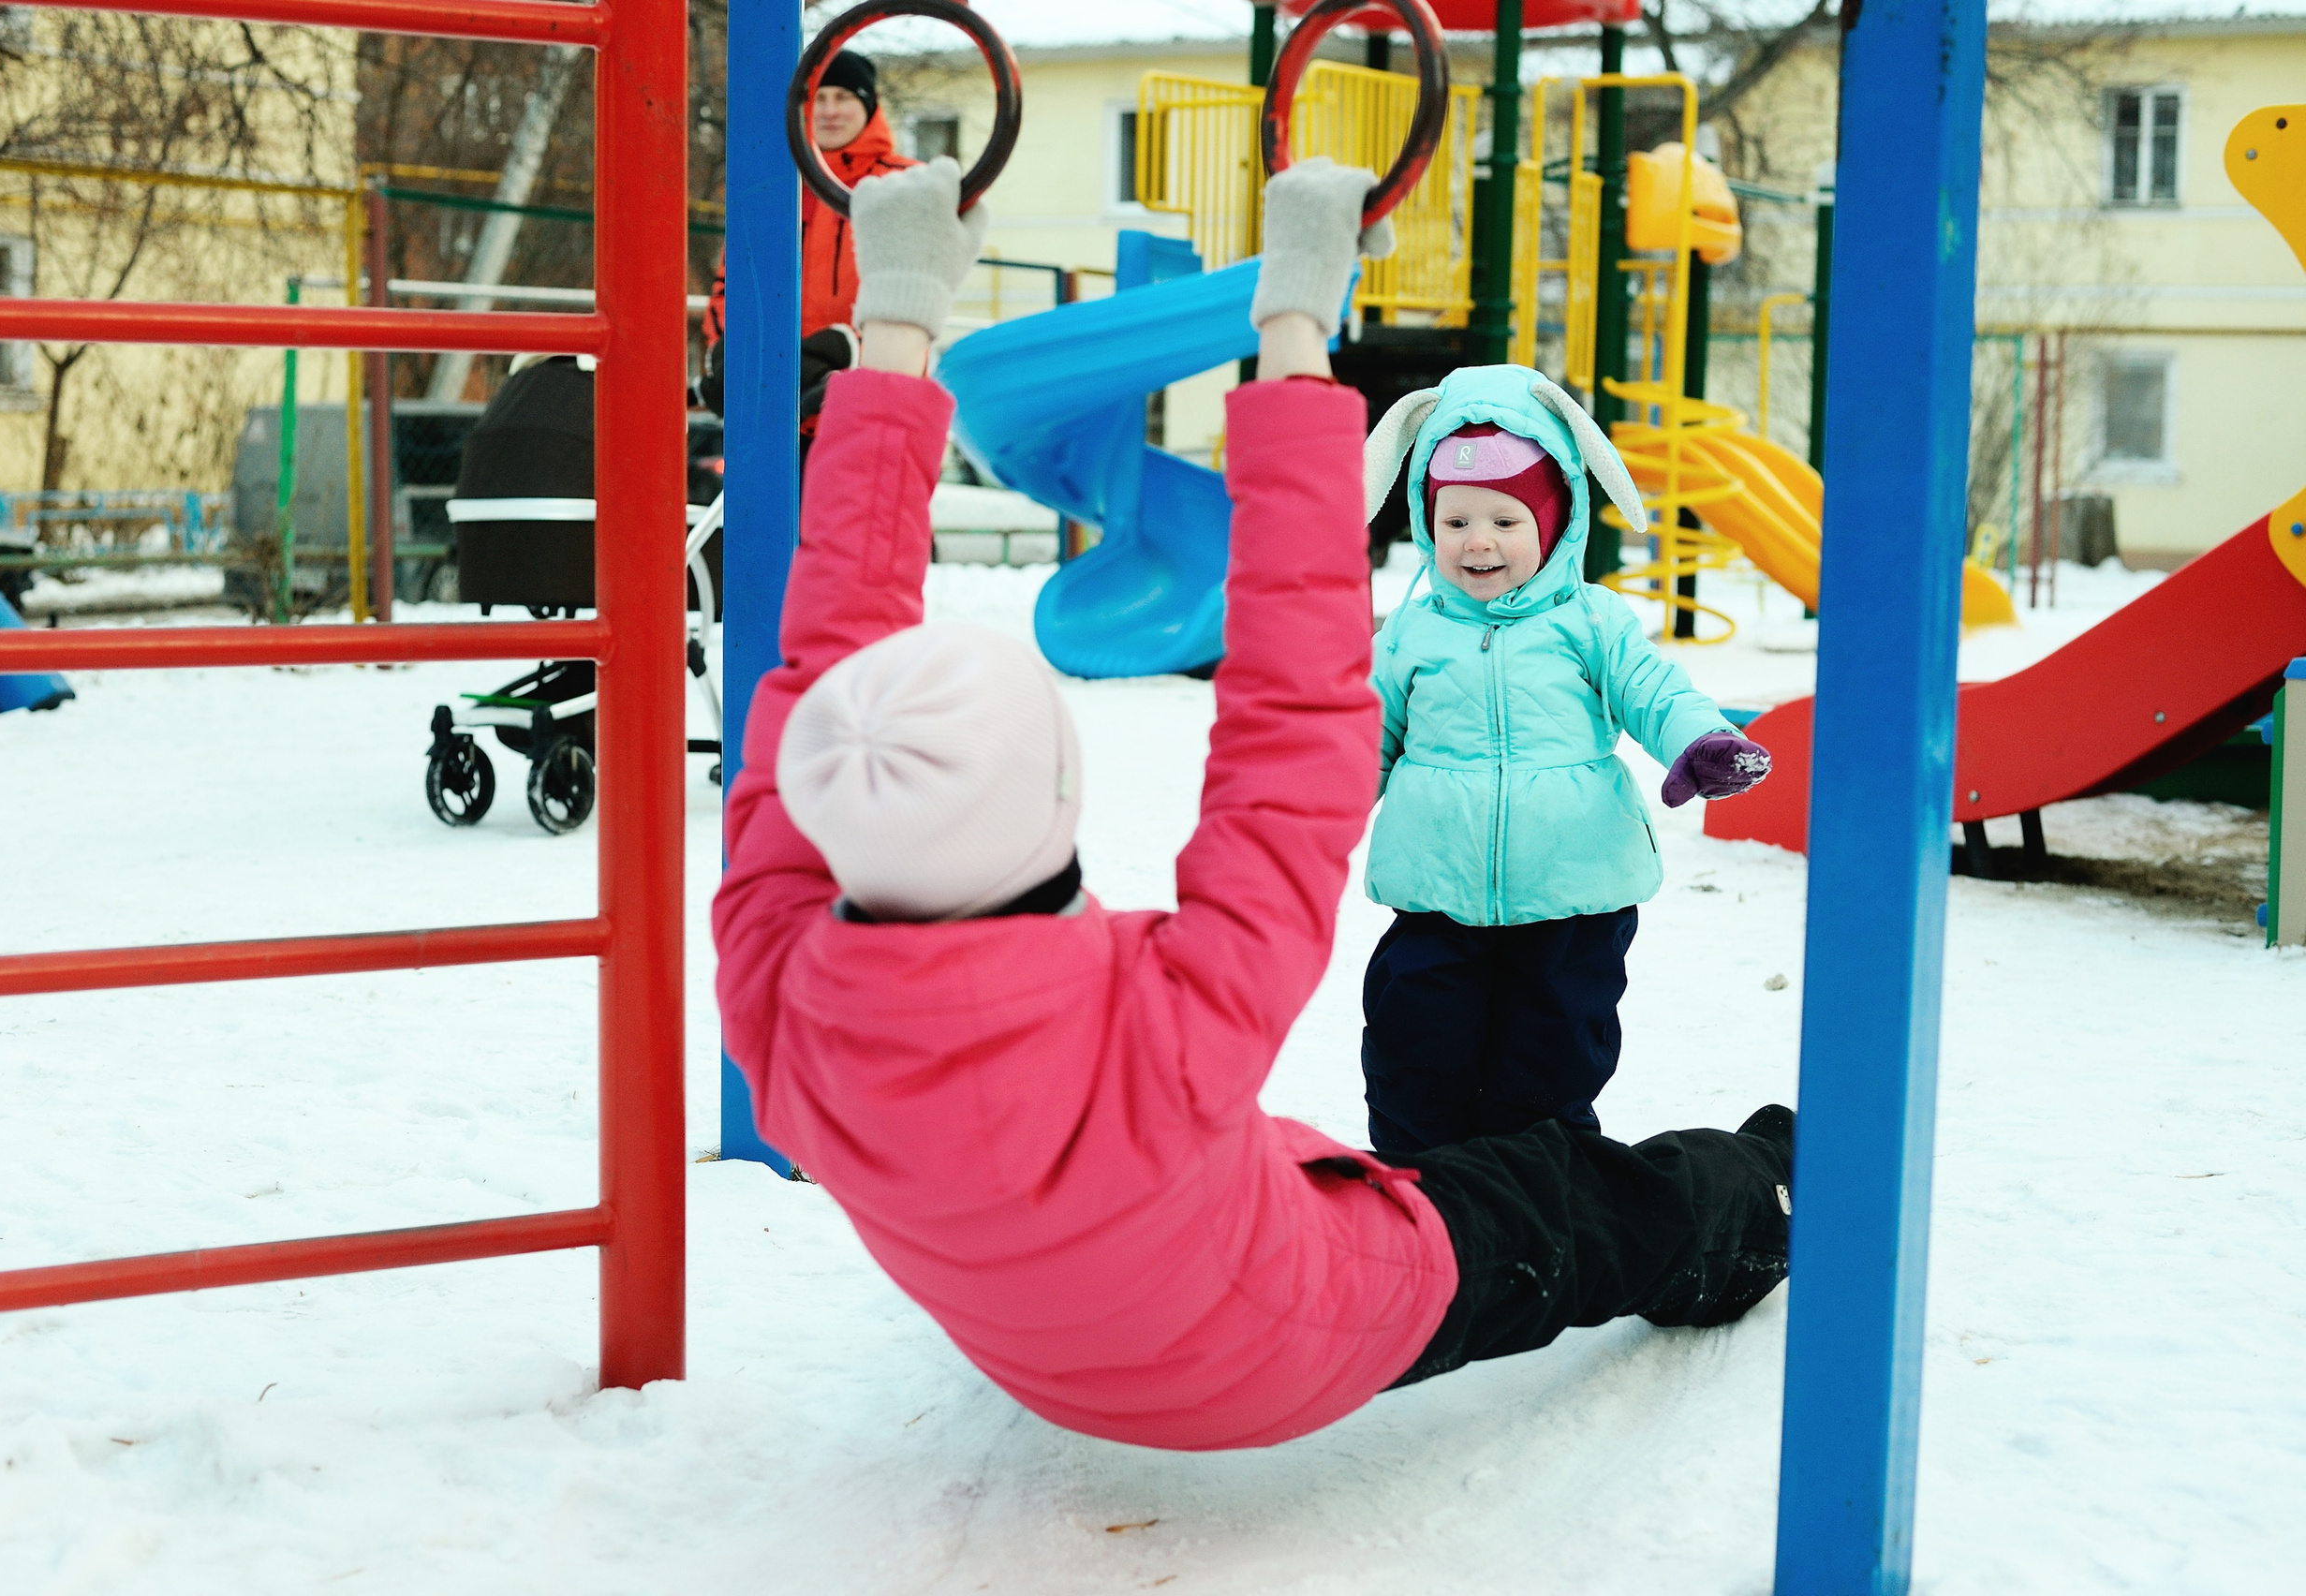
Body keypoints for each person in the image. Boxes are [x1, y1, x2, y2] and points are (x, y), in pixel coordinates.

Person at [714, 155, 1794, 1453]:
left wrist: (895, 314)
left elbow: (821, 666)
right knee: (1564, 1198)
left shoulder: (780, 995)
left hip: (1052, 1354)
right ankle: (1765, 1193)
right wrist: (1294, 319)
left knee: (1413, 1126)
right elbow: (1297, 721)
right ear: (1060, 794)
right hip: (1295, 1338)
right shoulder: (1164, 1018)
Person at [1355, 378, 1775, 1155]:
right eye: (1455, 520)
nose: (1477, 541)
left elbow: (1655, 691)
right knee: (1414, 1058)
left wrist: (1701, 742)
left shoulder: (1592, 622)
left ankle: (1543, 1206)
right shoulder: (1410, 633)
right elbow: (1362, 741)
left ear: (1554, 523)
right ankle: (1421, 1208)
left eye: (1505, 520)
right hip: (1436, 899)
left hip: (1572, 905)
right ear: (1425, 519)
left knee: (1545, 1077)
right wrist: (1314, 814)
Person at [699, 48, 917, 423]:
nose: (830, 111)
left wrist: (843, 349)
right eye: (819, 98)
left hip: (866, 404)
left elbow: (916, 294)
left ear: (869, 105)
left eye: (844, 97)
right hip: (771, 407)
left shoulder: (906, 184)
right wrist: (728, 347)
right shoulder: (774, 186)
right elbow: (731, 284)